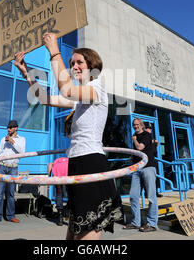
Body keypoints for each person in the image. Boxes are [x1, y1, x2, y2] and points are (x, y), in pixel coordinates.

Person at [14, 32, 122, 240]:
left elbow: (66, 89)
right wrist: (26, 72)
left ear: (93, 66)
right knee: (73, 233)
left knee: (87, 231)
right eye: (72, 63)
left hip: (91, 162)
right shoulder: (80, 98)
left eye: (79, 62)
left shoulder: (96, 88)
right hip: (77, 163)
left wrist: (54, 51)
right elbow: (44, 99)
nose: (74, 66)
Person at [123, 118, 158, 232]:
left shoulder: (147, 135)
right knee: (133, 195)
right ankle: (135, 222)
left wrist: (134, 140)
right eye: (134, 125)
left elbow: (140, 147)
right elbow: (138, 152)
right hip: (137, 168)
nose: (135, 126)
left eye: (137, 124)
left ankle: (152, 223)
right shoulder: (135, 135)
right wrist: (132, 158)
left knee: (151, 197)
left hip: (148, 167)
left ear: (142, 125)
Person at [0, 120, 25, 224]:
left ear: (16, 128)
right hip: (2, 167)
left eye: (10, 127)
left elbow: (22, 152)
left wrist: (12, 142)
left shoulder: (21, 139)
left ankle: (10, 216)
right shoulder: (2, 139)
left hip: (13, 168)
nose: (8, 129)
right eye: (8, 128)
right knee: (0, 193)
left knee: (11, 193)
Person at [47, 156, 69, 226]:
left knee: (59, 194)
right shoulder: (68, 161)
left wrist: (49, 177)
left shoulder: (55, 162)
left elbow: (50, 164)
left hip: (57, 174)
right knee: (70, 194)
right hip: (67, 174)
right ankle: (68, 213)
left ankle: (60, 216)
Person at [144, 122, 162, 198]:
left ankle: (156, 192)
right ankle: (147, 193)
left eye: (150, 128)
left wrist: (156, 145)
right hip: (146, 161)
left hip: (153, 160)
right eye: (148, 128)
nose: (150, 129)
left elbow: (154, 151)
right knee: (147, 177)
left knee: (155, 177)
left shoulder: (152, 138)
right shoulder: (143, 138)